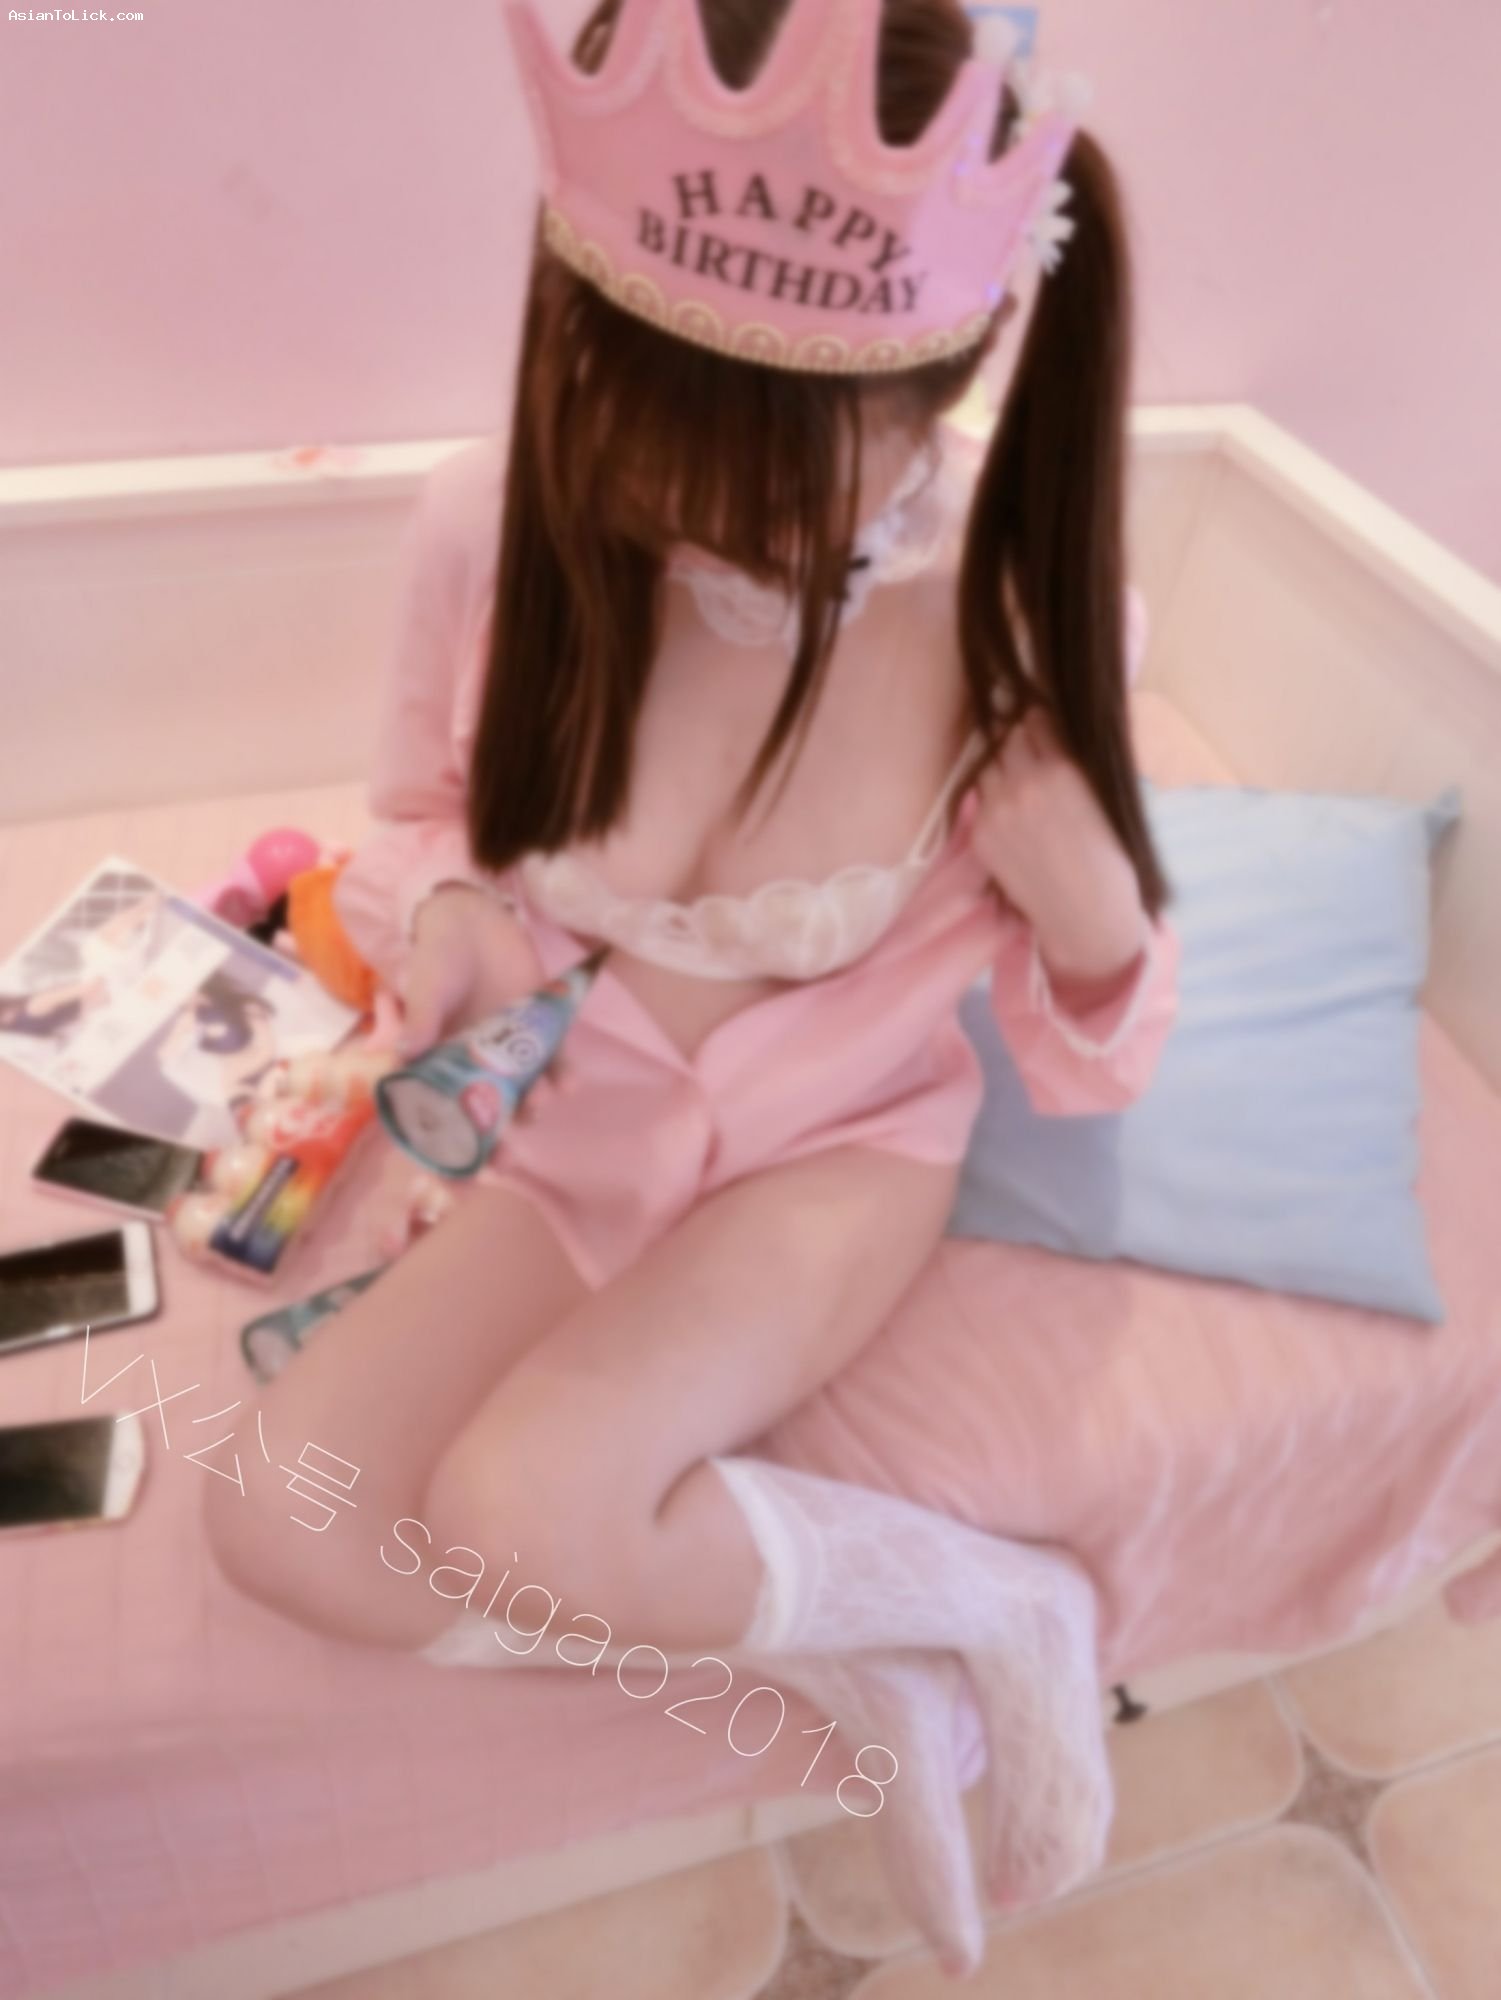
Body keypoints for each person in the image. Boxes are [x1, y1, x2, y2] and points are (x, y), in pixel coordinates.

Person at [204, 0, 1181, 1972]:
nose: (690, 510)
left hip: (831, 1157)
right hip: (582, 1121)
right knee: (281, 1519)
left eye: (772, 466)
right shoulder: (497, 525)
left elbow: (1100, 1051)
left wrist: (1091, 900)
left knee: (525, 1509)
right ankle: (858, 1663)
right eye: (650, 430)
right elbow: (419, 815)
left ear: (950, 374)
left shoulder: (1012, 606)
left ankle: (1011, 1606)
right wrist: (452, 916)